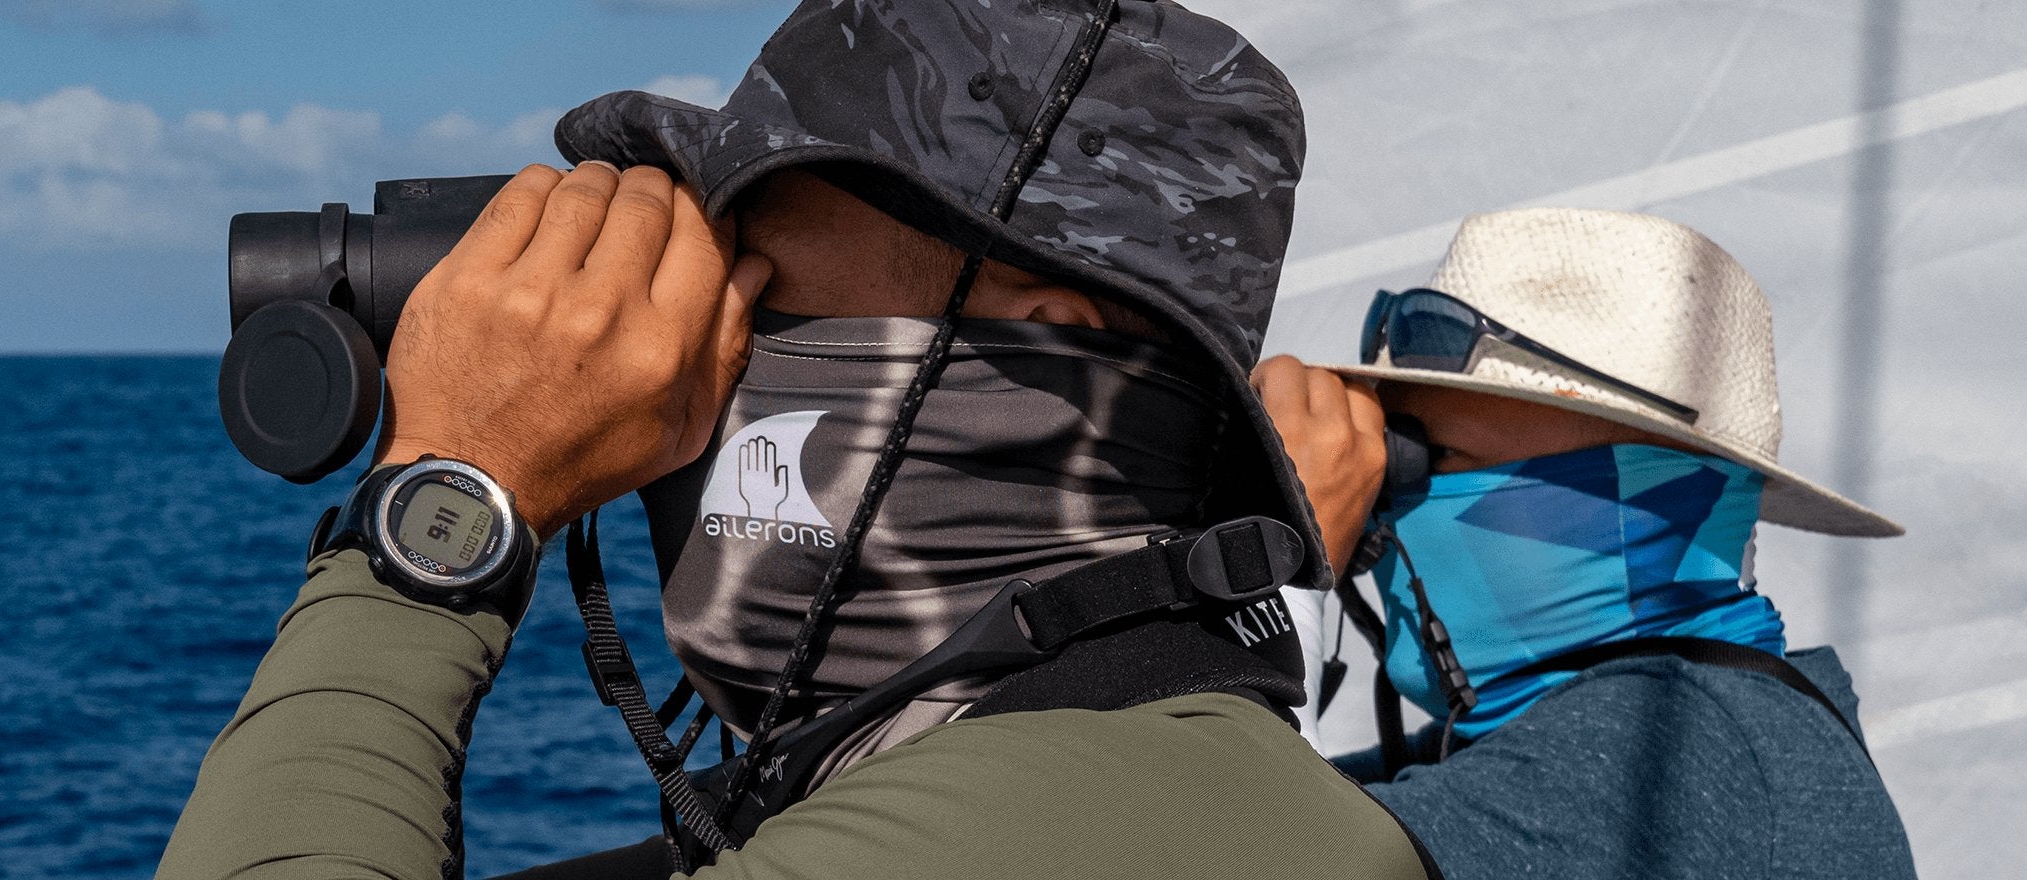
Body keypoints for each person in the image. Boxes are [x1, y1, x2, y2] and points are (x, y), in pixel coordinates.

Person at [158, 1, 1435, 877]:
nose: (675, 375)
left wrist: (455, 493)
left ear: (1048, 336)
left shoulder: (1061, 819)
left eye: (757, 306)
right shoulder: (1123, 747)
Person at [1256, 207, 1921, 879]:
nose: (1378, 509)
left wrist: (1273, 577)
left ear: (1643, 489)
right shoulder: (1721, 729)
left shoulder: (1675, 745)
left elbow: (1230, 851)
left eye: (1428, 457)